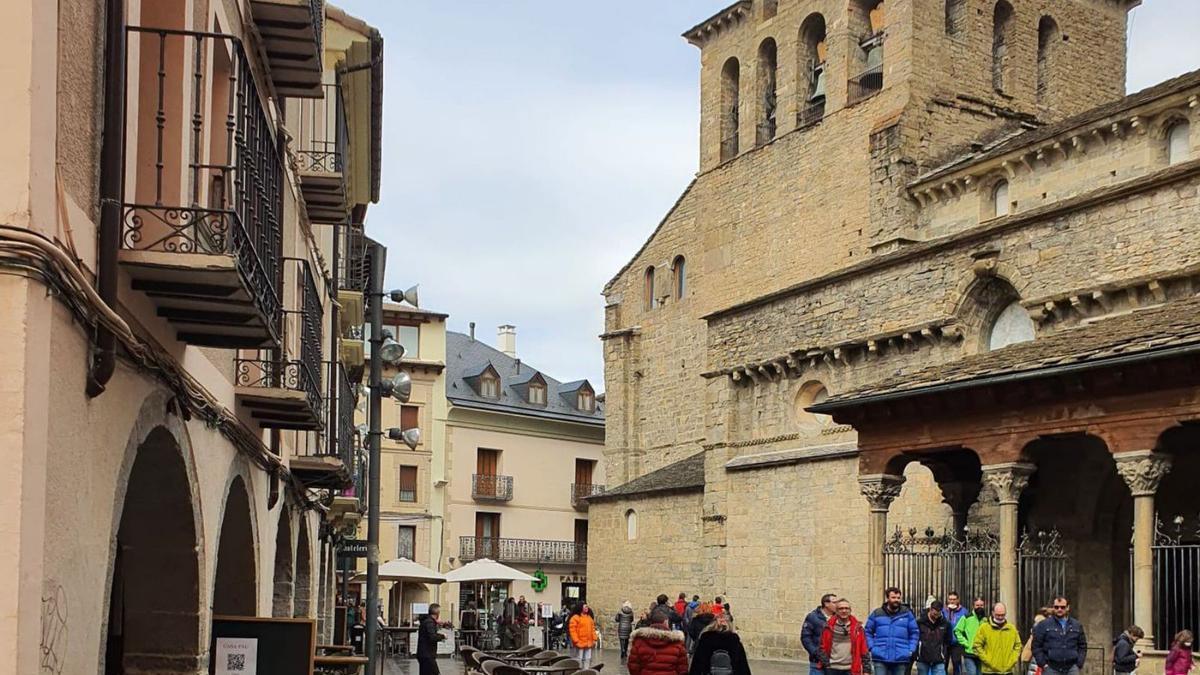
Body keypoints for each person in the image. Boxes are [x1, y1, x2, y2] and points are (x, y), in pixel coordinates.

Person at [865, 587, 919, 675]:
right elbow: (868, 631)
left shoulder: (907, 614)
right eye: (893, 597)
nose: (896, 600)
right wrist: (871, 647)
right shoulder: (877, 613)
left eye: (898, 598)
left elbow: (914, 632)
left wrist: (911, 649)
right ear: (887, 598)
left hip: (901, 656)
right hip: (880, 656)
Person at [1032, 596, 1087, 675]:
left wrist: (1079, 663)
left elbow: (1082, 645)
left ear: (1068, 608)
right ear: (1053, 608)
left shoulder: (1076, 625)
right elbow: (1036, 646)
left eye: (1062, 607)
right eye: (1056, 607)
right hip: (1051, 668)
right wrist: (1043, 664)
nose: (1059, 609)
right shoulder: (1044, 625)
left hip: (1071, 668)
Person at [629, 609, 689, 675]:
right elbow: (683, 668)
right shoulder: (677, 643)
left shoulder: (639, 642)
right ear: (666, 622)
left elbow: (633, 666)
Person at [820, 598, 872, 675]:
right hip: (832, 668)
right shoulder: (828, 627)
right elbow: (822, 647)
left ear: (850, 610)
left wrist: (866, 670)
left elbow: (864, 649)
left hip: (851, 669)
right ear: (836, 611)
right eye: (841, 608)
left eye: (846, 608)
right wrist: (826, 664)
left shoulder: (858, 628)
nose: (844, 611)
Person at [973, 603, 1021, 675]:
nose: (1000, 617)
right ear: (992, 613)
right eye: (998, 615)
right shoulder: (984, 628)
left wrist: (1012, 661)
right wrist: (988, 660)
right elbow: (977, 646)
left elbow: (1018, 646)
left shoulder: (1012, 629)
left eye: (1003, 615)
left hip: (1007, 670)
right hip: (989, 671)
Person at [805, 594, 840, 675]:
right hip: (817, 661)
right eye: (834, 602)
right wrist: (816, 653)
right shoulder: (813, 617)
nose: (837, 605)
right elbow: (806, 638)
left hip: (835, 661)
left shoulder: (839, 618)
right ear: (826, 604)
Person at [954, 598, 989, 675]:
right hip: (969, 653)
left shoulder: (986, 619)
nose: (979, 607)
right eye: (977, 605)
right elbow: (957, 631)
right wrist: (966, 643)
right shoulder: (966, 617)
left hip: (982, 653)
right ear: (973, 606)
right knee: (972, 673)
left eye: (981, 605)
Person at [916, 600, 951, 675]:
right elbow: (915, 638)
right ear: (930, 609)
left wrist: (944, 653)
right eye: (934, 614)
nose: (936, 616)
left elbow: (948, 640)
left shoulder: (946, 623)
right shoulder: (920, 622)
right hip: (922, 658)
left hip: (939, 658)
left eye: (938, 614)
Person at [417, 603, 447, 675]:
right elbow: (432, 637)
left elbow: (430, 634)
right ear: (437, 613)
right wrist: (443, 636)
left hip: (424, 654)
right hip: (427, 655)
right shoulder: (429, 622)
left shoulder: (426, 621)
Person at [943, 593, 969, 675]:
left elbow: (966, 626)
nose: (952, 601)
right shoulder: (943, 611)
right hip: (945, 642)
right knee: (943, 664)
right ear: (948, 600)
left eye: (954, 599)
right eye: (950, 599)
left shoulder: (964, 611)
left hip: (957, 642)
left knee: (956, 663)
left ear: (958, 600)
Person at [568, 603, 598, 668]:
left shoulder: (589, 618)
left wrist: (594, 638)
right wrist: (576, 640)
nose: (587, 608)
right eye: (585, 607)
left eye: (587, 607)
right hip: (579, 642)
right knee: (579, 659)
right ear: (580, 608)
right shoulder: (575, 618)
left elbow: (592, 629)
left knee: (588, 659)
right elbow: (572, 630)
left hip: (588, 643)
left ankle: (586, 671)